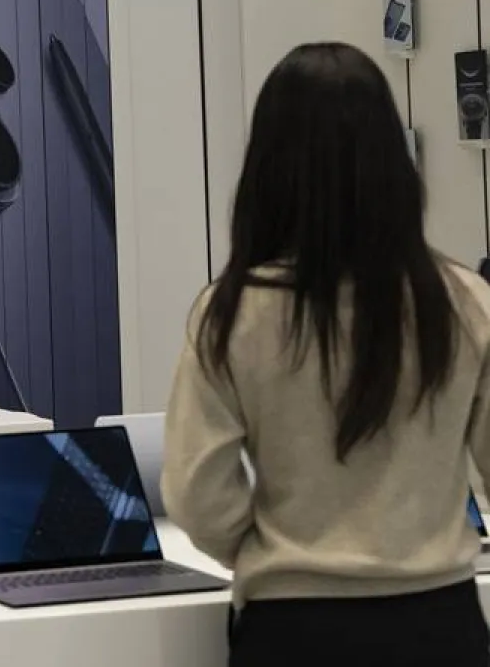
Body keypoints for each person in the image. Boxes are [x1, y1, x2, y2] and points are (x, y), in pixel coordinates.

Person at [162, 42, 490, 667]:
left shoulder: (233, 312)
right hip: (440, 622)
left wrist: (274, 553)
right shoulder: (464, 302)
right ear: (394, 162)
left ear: (267, 167)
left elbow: (196, 493)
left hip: (294, 628)